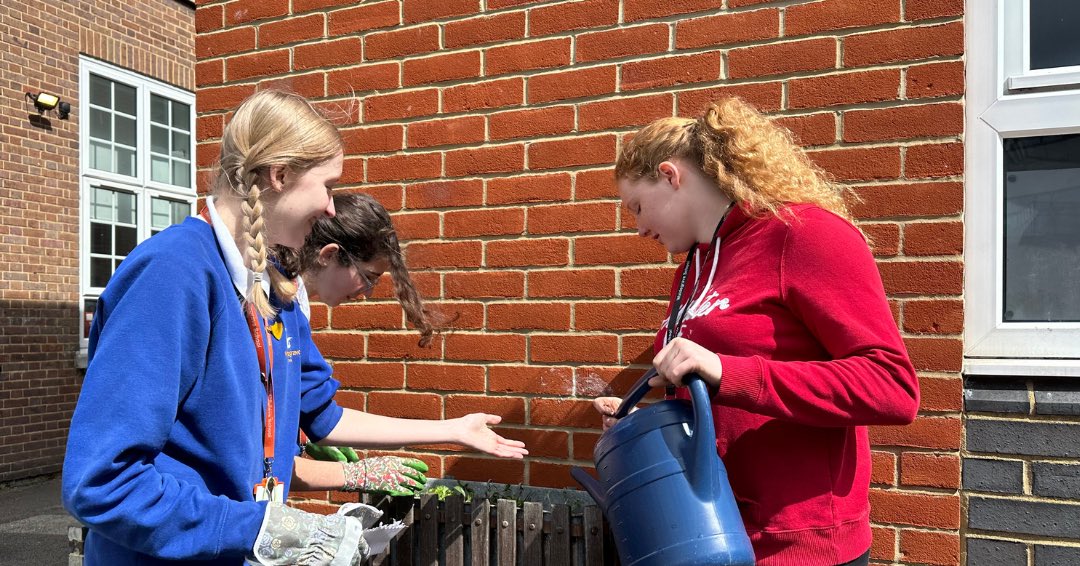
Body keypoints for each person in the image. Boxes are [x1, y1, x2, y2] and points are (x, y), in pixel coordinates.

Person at [62, 89, 524, 566]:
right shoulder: (173, 273)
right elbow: (102, 484)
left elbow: (321, 418)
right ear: (278, 175)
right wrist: (264, 527)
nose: (330, 208)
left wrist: (451, 428)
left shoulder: (276, 293)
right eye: (328, 185)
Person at [592, 97, 919, 566]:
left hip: (799, 548)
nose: (639, 228)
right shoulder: (694, 267)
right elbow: (709, 394)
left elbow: (892, 387)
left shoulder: (803, 234)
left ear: (670, 175)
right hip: (710, 533)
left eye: (638, 207)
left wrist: (727, 370)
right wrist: (641, 422)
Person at [279, 193, 488, 495]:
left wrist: (298, 431)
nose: (369, 291)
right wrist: (352, 472)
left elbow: (316, 413)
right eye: (368, 277)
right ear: (328, 255)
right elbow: (323, 420)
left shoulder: (295, 304)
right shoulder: (274, 304)